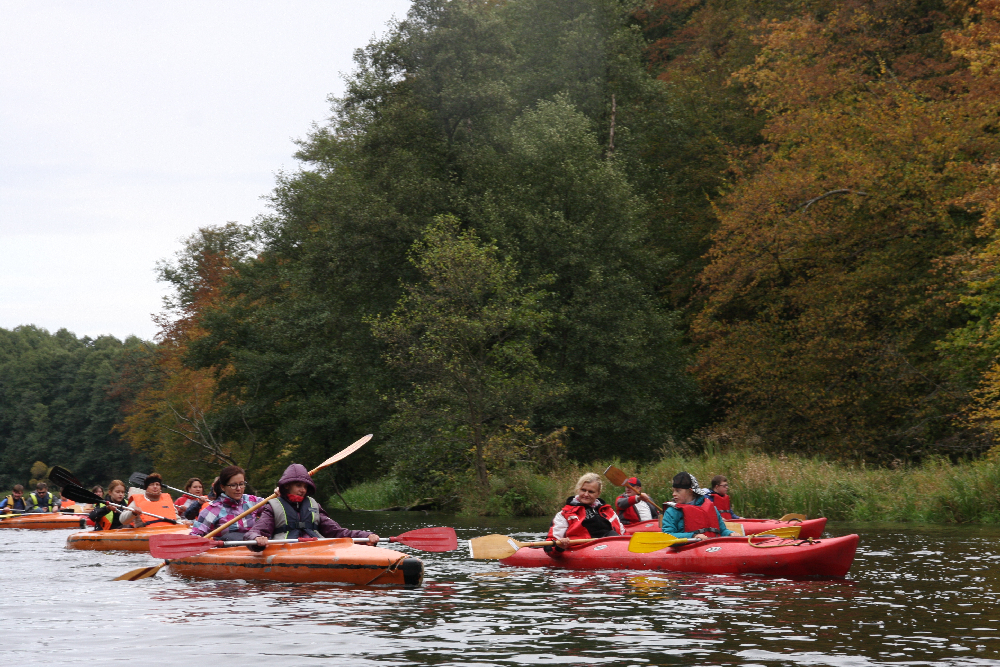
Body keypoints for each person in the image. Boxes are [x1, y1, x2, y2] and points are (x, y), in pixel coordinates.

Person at [245, 463, 379, 550]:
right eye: (298, 485)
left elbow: (336, 532)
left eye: (305, 486)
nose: (303, 490)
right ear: (287, 485)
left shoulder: (314, 505)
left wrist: (365, 536)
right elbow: (254, 532)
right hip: (285, 550)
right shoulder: (273, 507)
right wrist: (256, 539)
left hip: (316, 548)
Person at [546, 472, 625, 550]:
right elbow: (549, 545)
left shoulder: (609, 511)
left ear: (598, 493)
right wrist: (559, 546)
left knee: (612, 534)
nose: (586, 494)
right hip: (582, 549)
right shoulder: (564, 514)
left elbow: (623, 534)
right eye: (583, 490)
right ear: (578, 490)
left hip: (611, 546)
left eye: (591, 492)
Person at [190, 466, 265, 541]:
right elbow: (195, 536)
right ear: (223, 487)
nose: (238, 489)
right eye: (233, 485)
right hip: (229, 547)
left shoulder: (253, 501)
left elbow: (271, 510)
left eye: (241, 484)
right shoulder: (212, 510)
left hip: (255, 544)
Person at [661, 471, 734, 541]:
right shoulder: (671, 512)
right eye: (673, 490)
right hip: (688, 548)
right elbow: (668, 536)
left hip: (712, 546)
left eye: (678, 491)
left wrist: (730, 533)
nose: (674, 494)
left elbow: (723, 530)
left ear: (690, 491)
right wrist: (693, 536)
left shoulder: (712, 508)